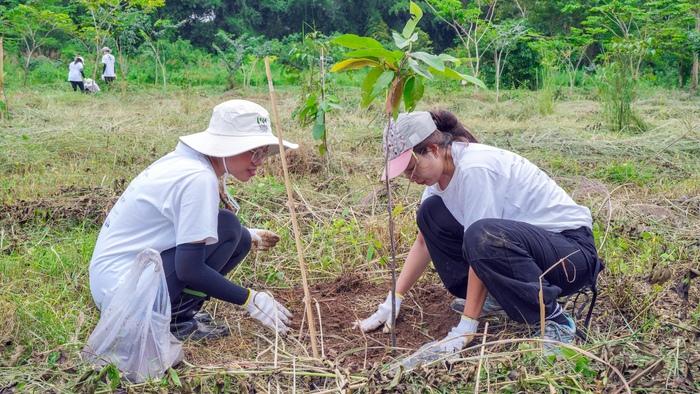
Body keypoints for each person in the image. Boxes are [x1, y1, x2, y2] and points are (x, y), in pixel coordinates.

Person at [357, 110, 602, 356]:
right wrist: (394, 298)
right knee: (429, 214)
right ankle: (496, 298)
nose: (411, 178)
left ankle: (555, 320)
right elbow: (423, 243)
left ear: (433, 150)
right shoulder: (439, 176)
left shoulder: (475, 169)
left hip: (570, 257)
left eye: (411, 169)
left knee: (481, 235)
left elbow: (483, 243)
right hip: (530, 253)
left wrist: (466, 326)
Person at [89, 100, 298, 341]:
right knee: (229, 226)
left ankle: (176, 314)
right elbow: (189, 269)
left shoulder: (188, 163)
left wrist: (247, 235)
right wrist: (250, 299)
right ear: (226, 146)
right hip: (124, 299)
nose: (260, 161)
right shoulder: (197, 178)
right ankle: (175, 322)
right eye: (254, 151)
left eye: (264, 152)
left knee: (237, 235)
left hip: (114, 284)